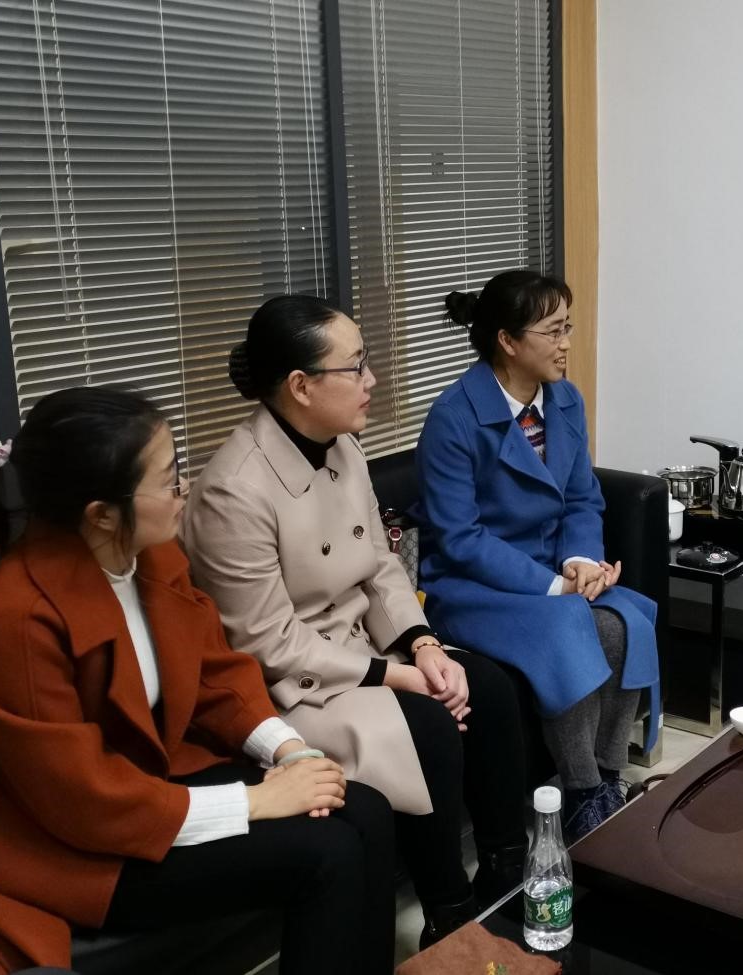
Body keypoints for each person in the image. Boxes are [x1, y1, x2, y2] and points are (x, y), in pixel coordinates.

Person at [0, 387, 395, 975]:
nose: (184, 489)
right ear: (101, 514)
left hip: (143, 778)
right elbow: (79, 799)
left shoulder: (148, 554)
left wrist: (289, 752)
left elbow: (215, 672)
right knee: (327, 853)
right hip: (60, 834)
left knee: (366, 810)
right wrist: (256, 801)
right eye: (169, 480)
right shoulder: (17, 616)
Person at [182, 295, 529, 946]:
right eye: (357, 366)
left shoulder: (341, 445)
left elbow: (380, 565)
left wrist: (423, 645)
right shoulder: (233, 490)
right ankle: (448, 915)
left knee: (487, 686)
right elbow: (267, 642)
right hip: (294, 685)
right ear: (301, 386)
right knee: (427, 724)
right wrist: (395, 677)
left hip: (366, 646)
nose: (373, 380)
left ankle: (508, 875)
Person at [414, 269, 661, 841]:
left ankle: (607, 778)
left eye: (567, 327)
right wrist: (555, 587)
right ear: (507, 340)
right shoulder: (454, 416)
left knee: (626, 621)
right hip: (473, 586)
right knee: (570, 624)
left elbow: (581, 498)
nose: (566, 343)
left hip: (552, 573)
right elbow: (460, 538)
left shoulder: (565, 400)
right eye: (553, 331)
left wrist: (581, 561)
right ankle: (581, 793)